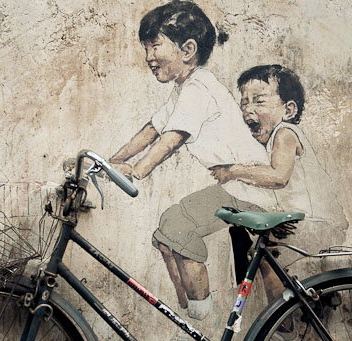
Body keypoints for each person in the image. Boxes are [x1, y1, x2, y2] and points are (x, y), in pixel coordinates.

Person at [110, 1, 270, 320]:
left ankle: (200, 322)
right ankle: (191, 315)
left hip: (251, 189)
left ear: (188, 49)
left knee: (178, 226)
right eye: (145, 48)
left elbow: (172, 138)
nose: (148, 56)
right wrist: (108, 161)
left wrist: (137, 171)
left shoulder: (200, 88)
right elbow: (151, 131)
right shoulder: (184, 89)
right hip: (236, 188)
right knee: (168, 231)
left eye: (155, 45)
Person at [213, 64, 348, 304]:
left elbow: (278, 177)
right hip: (304, 221)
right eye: (244, 102)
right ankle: (312, 295)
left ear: (288, 109)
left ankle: (284, 332)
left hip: (318, 223)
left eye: (259, 101)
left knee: (264, 256)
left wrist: (232, 171)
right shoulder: (272, 139)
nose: (248, 110)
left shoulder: (285, 133)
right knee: (253, 242)